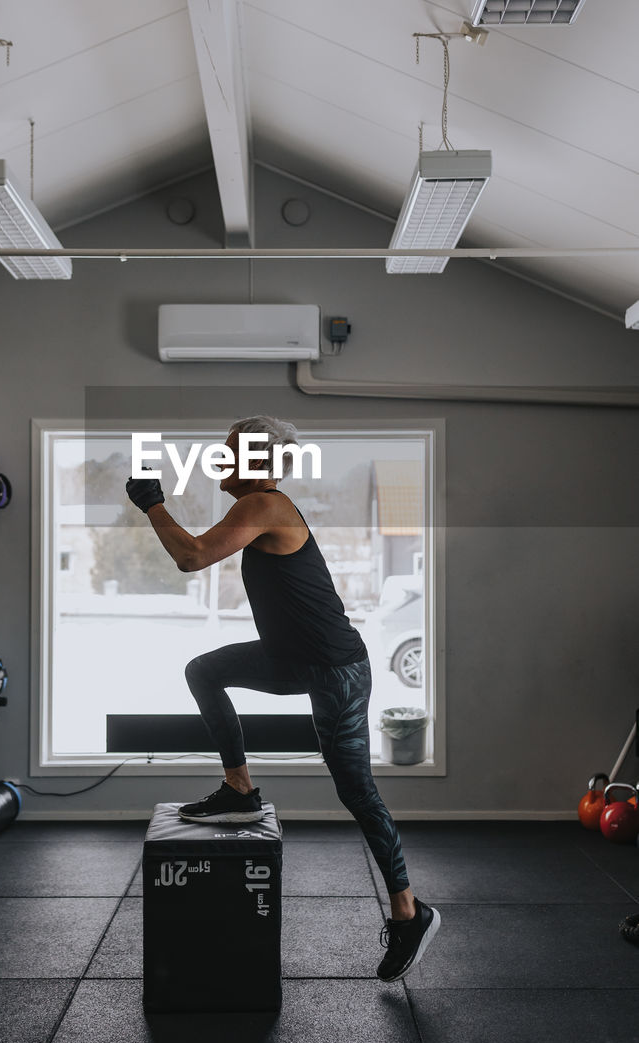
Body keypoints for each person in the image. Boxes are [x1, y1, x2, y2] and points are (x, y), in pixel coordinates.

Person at [125, 415, 440, 982]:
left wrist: (152, 504)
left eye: (229, 453)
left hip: (335, 670)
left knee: (357, 793)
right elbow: (200, 551)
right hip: (290, 658)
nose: (221, 461)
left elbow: (192, 556)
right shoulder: (256, 507)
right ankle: (239, 790)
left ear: (256, 465)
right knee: (204, 671)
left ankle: (409, 913)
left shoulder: (266, 504)